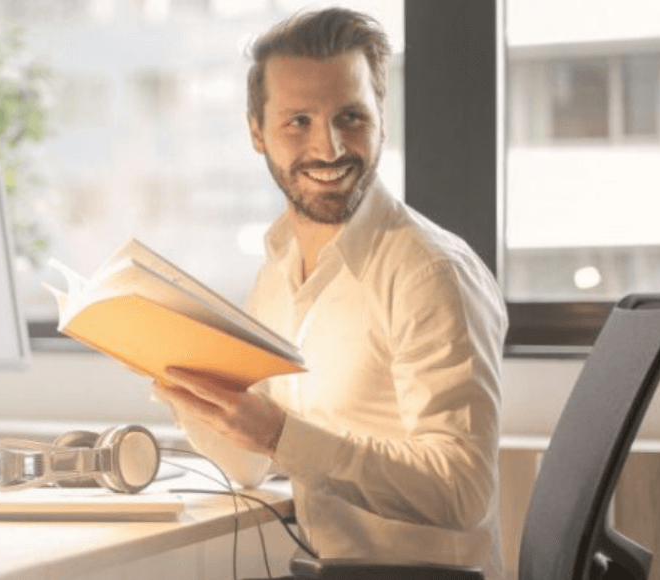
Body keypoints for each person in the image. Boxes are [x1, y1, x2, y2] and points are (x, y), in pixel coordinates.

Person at [152, 7, 507, 580]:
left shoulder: (430, 272)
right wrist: (182, 385)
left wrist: (279, 433)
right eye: (298, 121)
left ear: (380, 118)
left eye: (351, 117)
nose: (330, 146)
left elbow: (463, 491)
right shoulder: (278, 268)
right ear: (256, 131)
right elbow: (247, 465)